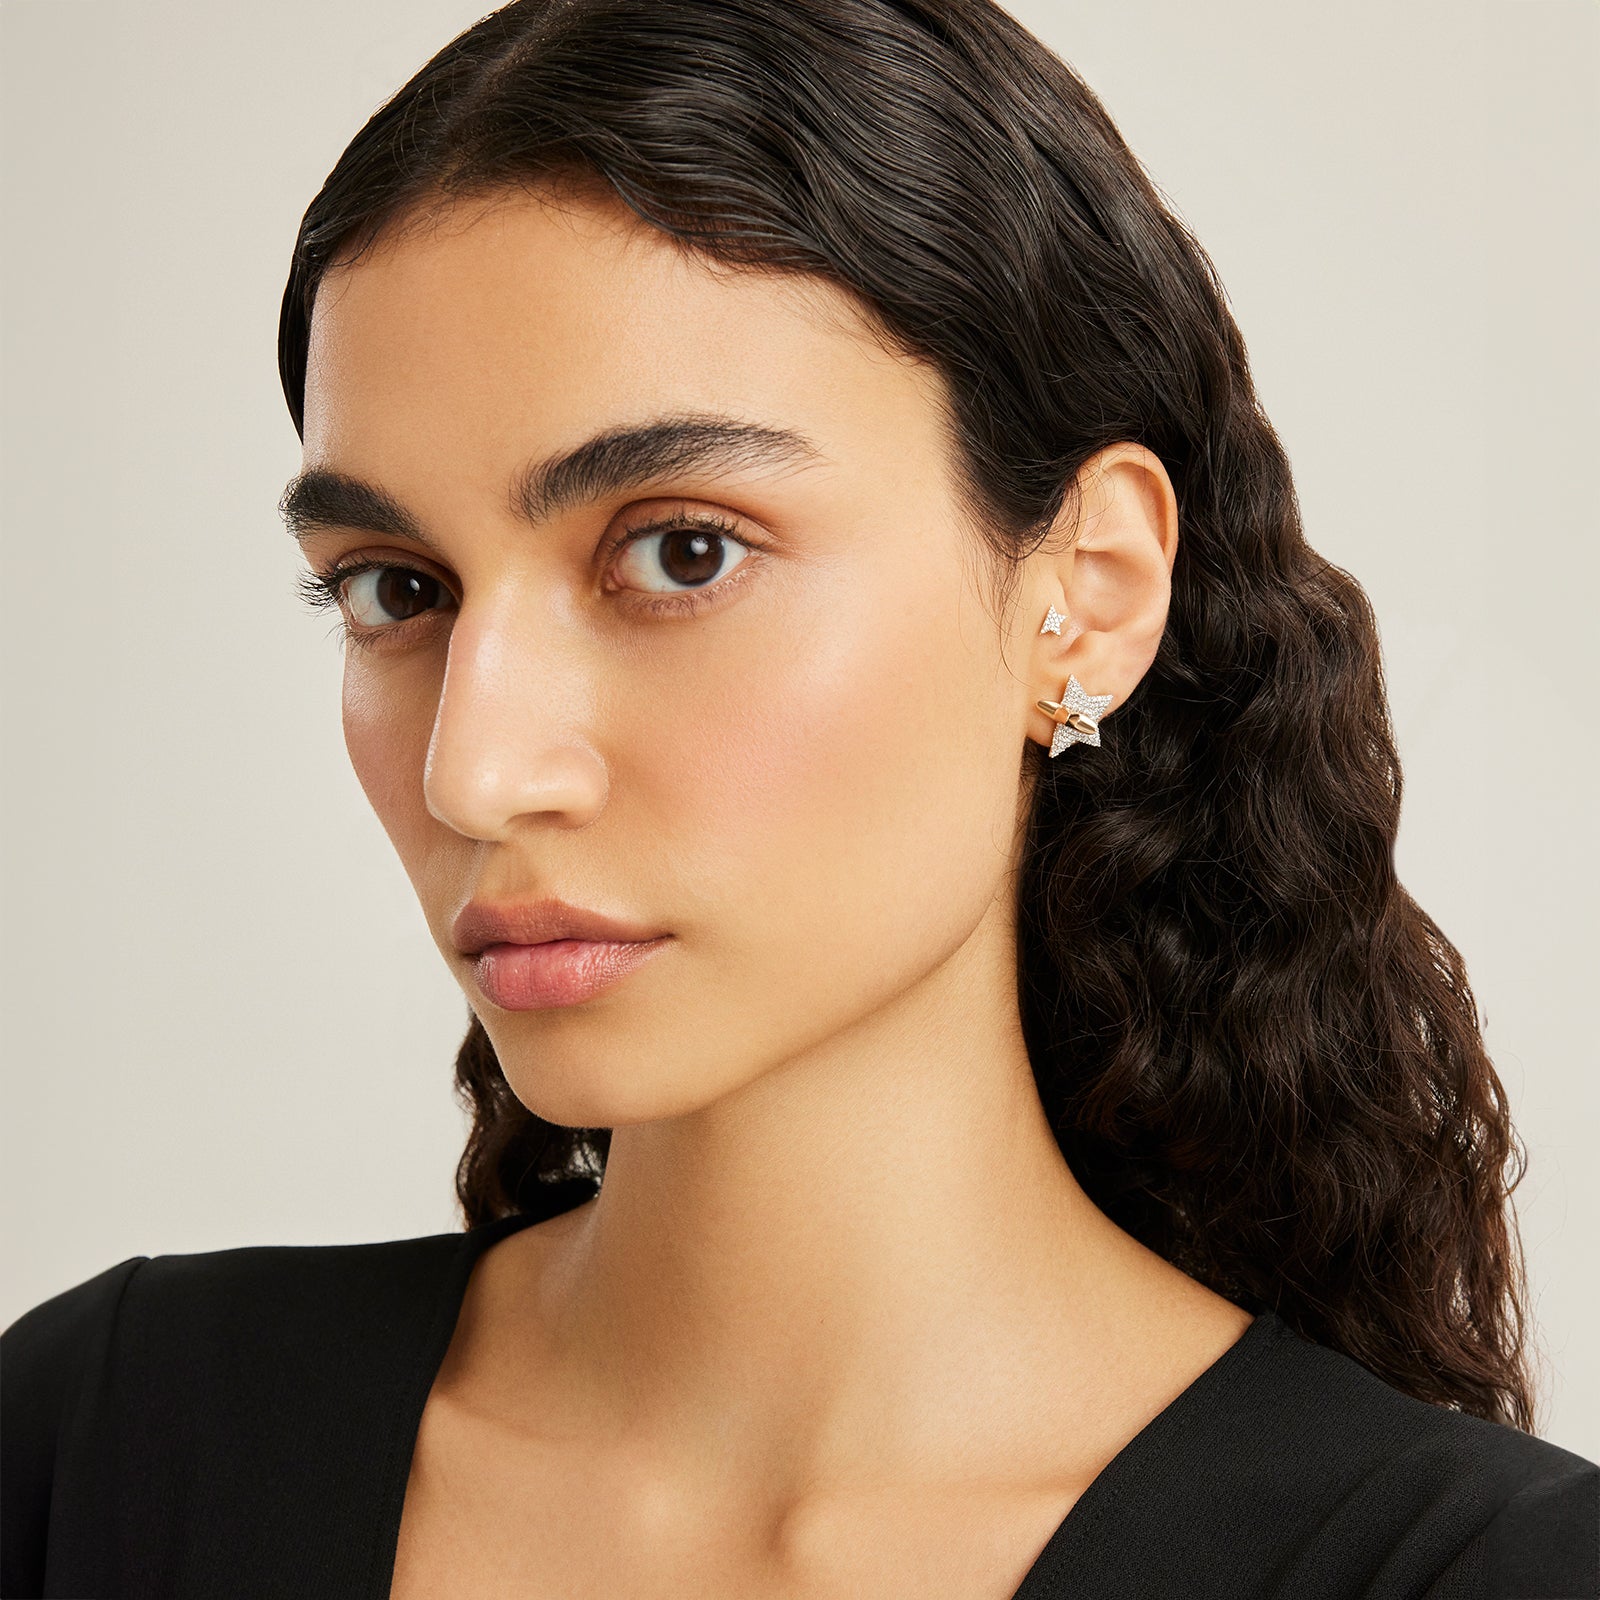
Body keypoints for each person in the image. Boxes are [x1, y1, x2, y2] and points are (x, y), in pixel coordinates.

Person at [4, 1, 1595, 1596]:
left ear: (1089, 594)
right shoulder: (100, 1454)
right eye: (395, 588)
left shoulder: (1467, 1573)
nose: (475, 771)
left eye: (682, 551)